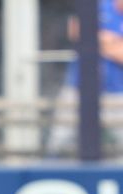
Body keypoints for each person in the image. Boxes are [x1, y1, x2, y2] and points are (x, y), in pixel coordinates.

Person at [47, 0, 123, 156]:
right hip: (78, 87)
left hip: (117, 92)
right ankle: (49, 172)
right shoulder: (102, 5)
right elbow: (75, 30)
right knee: (59, 140)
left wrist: (95, 39)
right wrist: (111, 41)